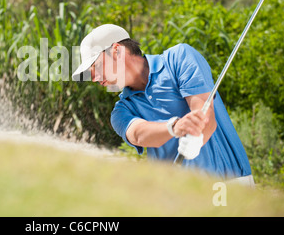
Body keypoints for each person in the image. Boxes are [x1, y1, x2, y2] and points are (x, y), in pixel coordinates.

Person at [72, 24, 254, 186]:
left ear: (117, 51)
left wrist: (197, 139)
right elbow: (138, 134)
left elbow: (206, 117)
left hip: (230, 183)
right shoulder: (121, 110)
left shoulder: (179, 59)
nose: (94, 78)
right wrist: (174, 127)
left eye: (96, 66)